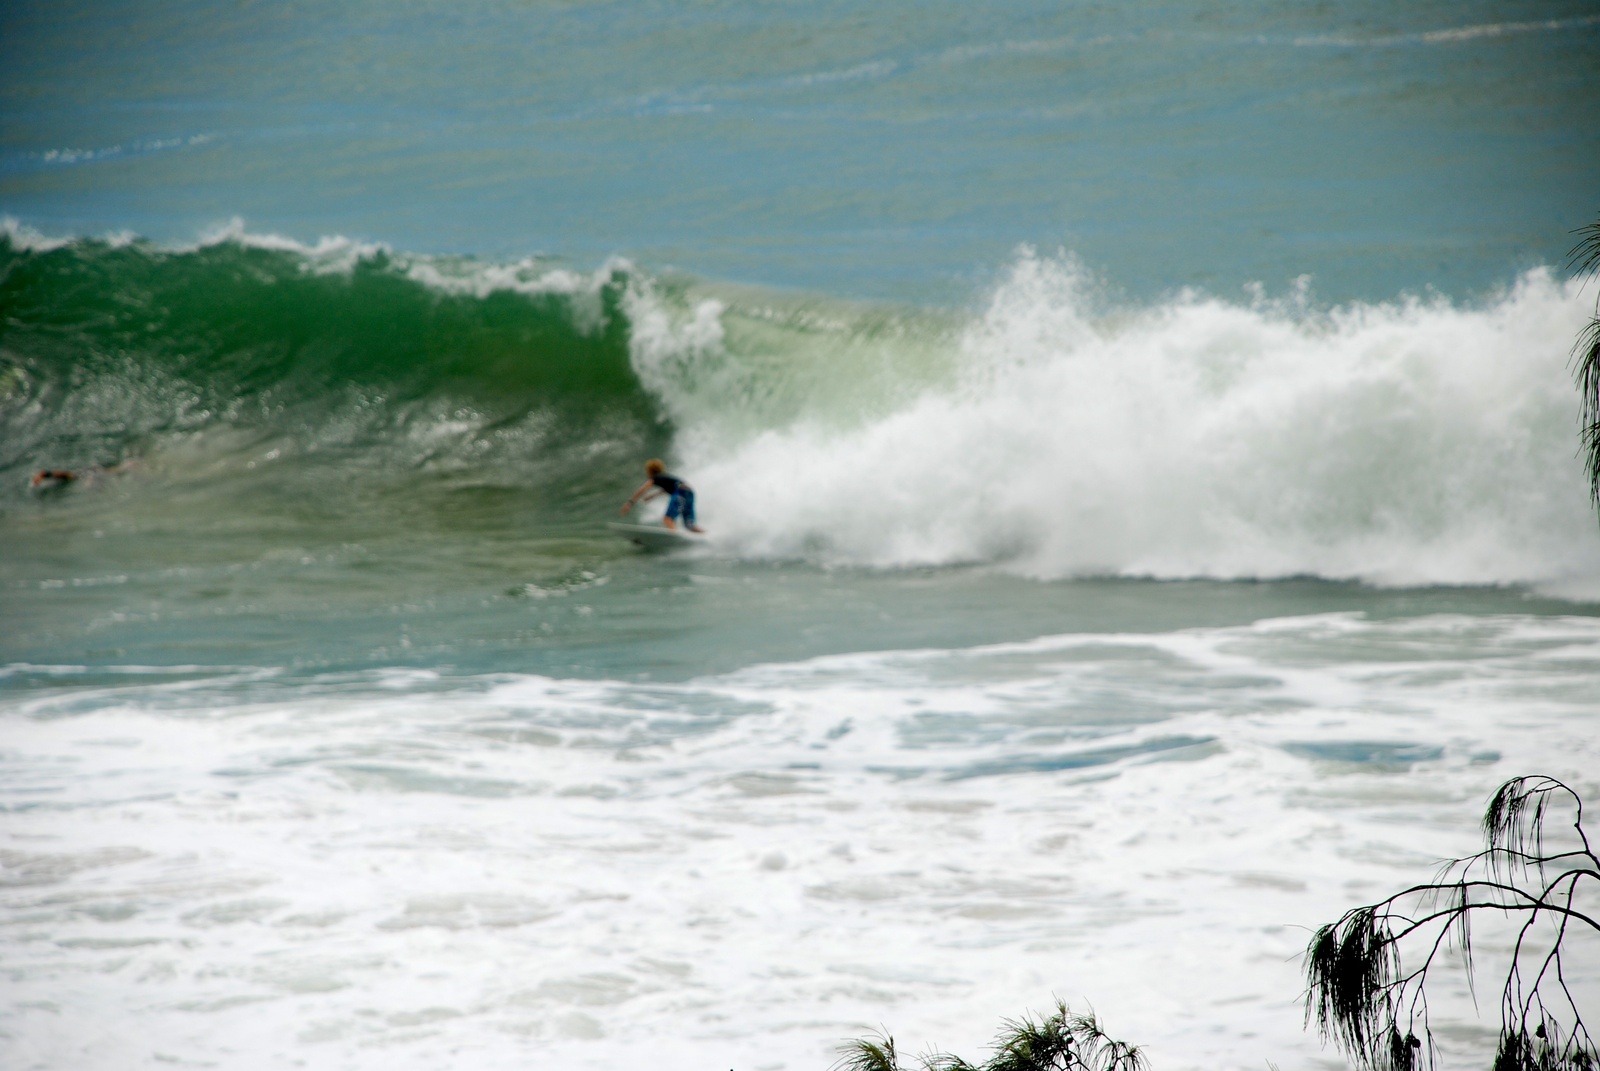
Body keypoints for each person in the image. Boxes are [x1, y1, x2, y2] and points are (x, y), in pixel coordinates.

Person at [620, 459, 704, 533]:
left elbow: (643, 489)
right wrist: (652, 496)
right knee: (689, 526)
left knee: (668, 519)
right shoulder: (664, 478)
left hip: (681, 492)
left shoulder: (655, 477)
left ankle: (673, 537)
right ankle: (705, 536)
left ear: (650, 470)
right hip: (689, 493)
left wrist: (630, 503)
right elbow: (666, 489)